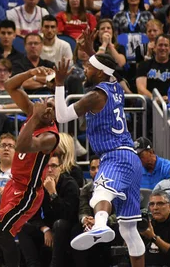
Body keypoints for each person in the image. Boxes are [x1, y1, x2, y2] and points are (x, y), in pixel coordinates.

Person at [54, 52, 145, 267]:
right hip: (131, 157)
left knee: (100, 192)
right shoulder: (115, 86)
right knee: (129, 230)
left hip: (115, 155)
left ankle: (101, 225)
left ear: (101, 73)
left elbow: (62, 116)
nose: (85, 70)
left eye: (89, 67)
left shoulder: (96, 95)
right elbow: (111, 67)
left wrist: (59, 84)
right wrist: (90, 50)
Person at [0, 67, 59, 267]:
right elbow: (9, 85)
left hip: (28, 193)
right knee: (5, 236)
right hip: (14, 185)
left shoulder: (51, 136)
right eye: (47, 105)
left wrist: (33, 117)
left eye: (53, 108)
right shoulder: (34, 113)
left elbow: (21, 145)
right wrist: (31, 72)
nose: (48, 109)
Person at [17, 153, 80, 267]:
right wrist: (45, 229)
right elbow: (32, 214)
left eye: (54, 166)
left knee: (59, 224)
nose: (50, 169)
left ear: (60, 167)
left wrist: (53, 193)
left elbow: (68, 214)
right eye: (46, 166)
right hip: (49, 227)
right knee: (22, 227)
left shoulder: (70, 184)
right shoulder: (38, 185)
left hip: (68, 228)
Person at [136, 34, 170, 100]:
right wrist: (156, 99)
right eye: (160, 45)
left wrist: (169, 99)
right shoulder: (144, 65)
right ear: (155, 48)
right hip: (151, 101)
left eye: (166, 45)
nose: (163, 48)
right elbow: (141, 89)